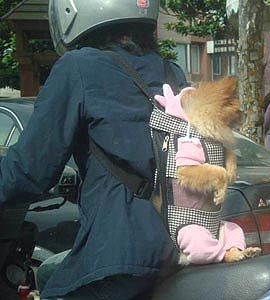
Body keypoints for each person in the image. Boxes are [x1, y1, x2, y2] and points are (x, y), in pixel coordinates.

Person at [0, 0, 189, 299]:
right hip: (180, 249)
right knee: (49, 272)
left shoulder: (78, 67)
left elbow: (29, 170)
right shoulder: (171, 72)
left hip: (120, 255)